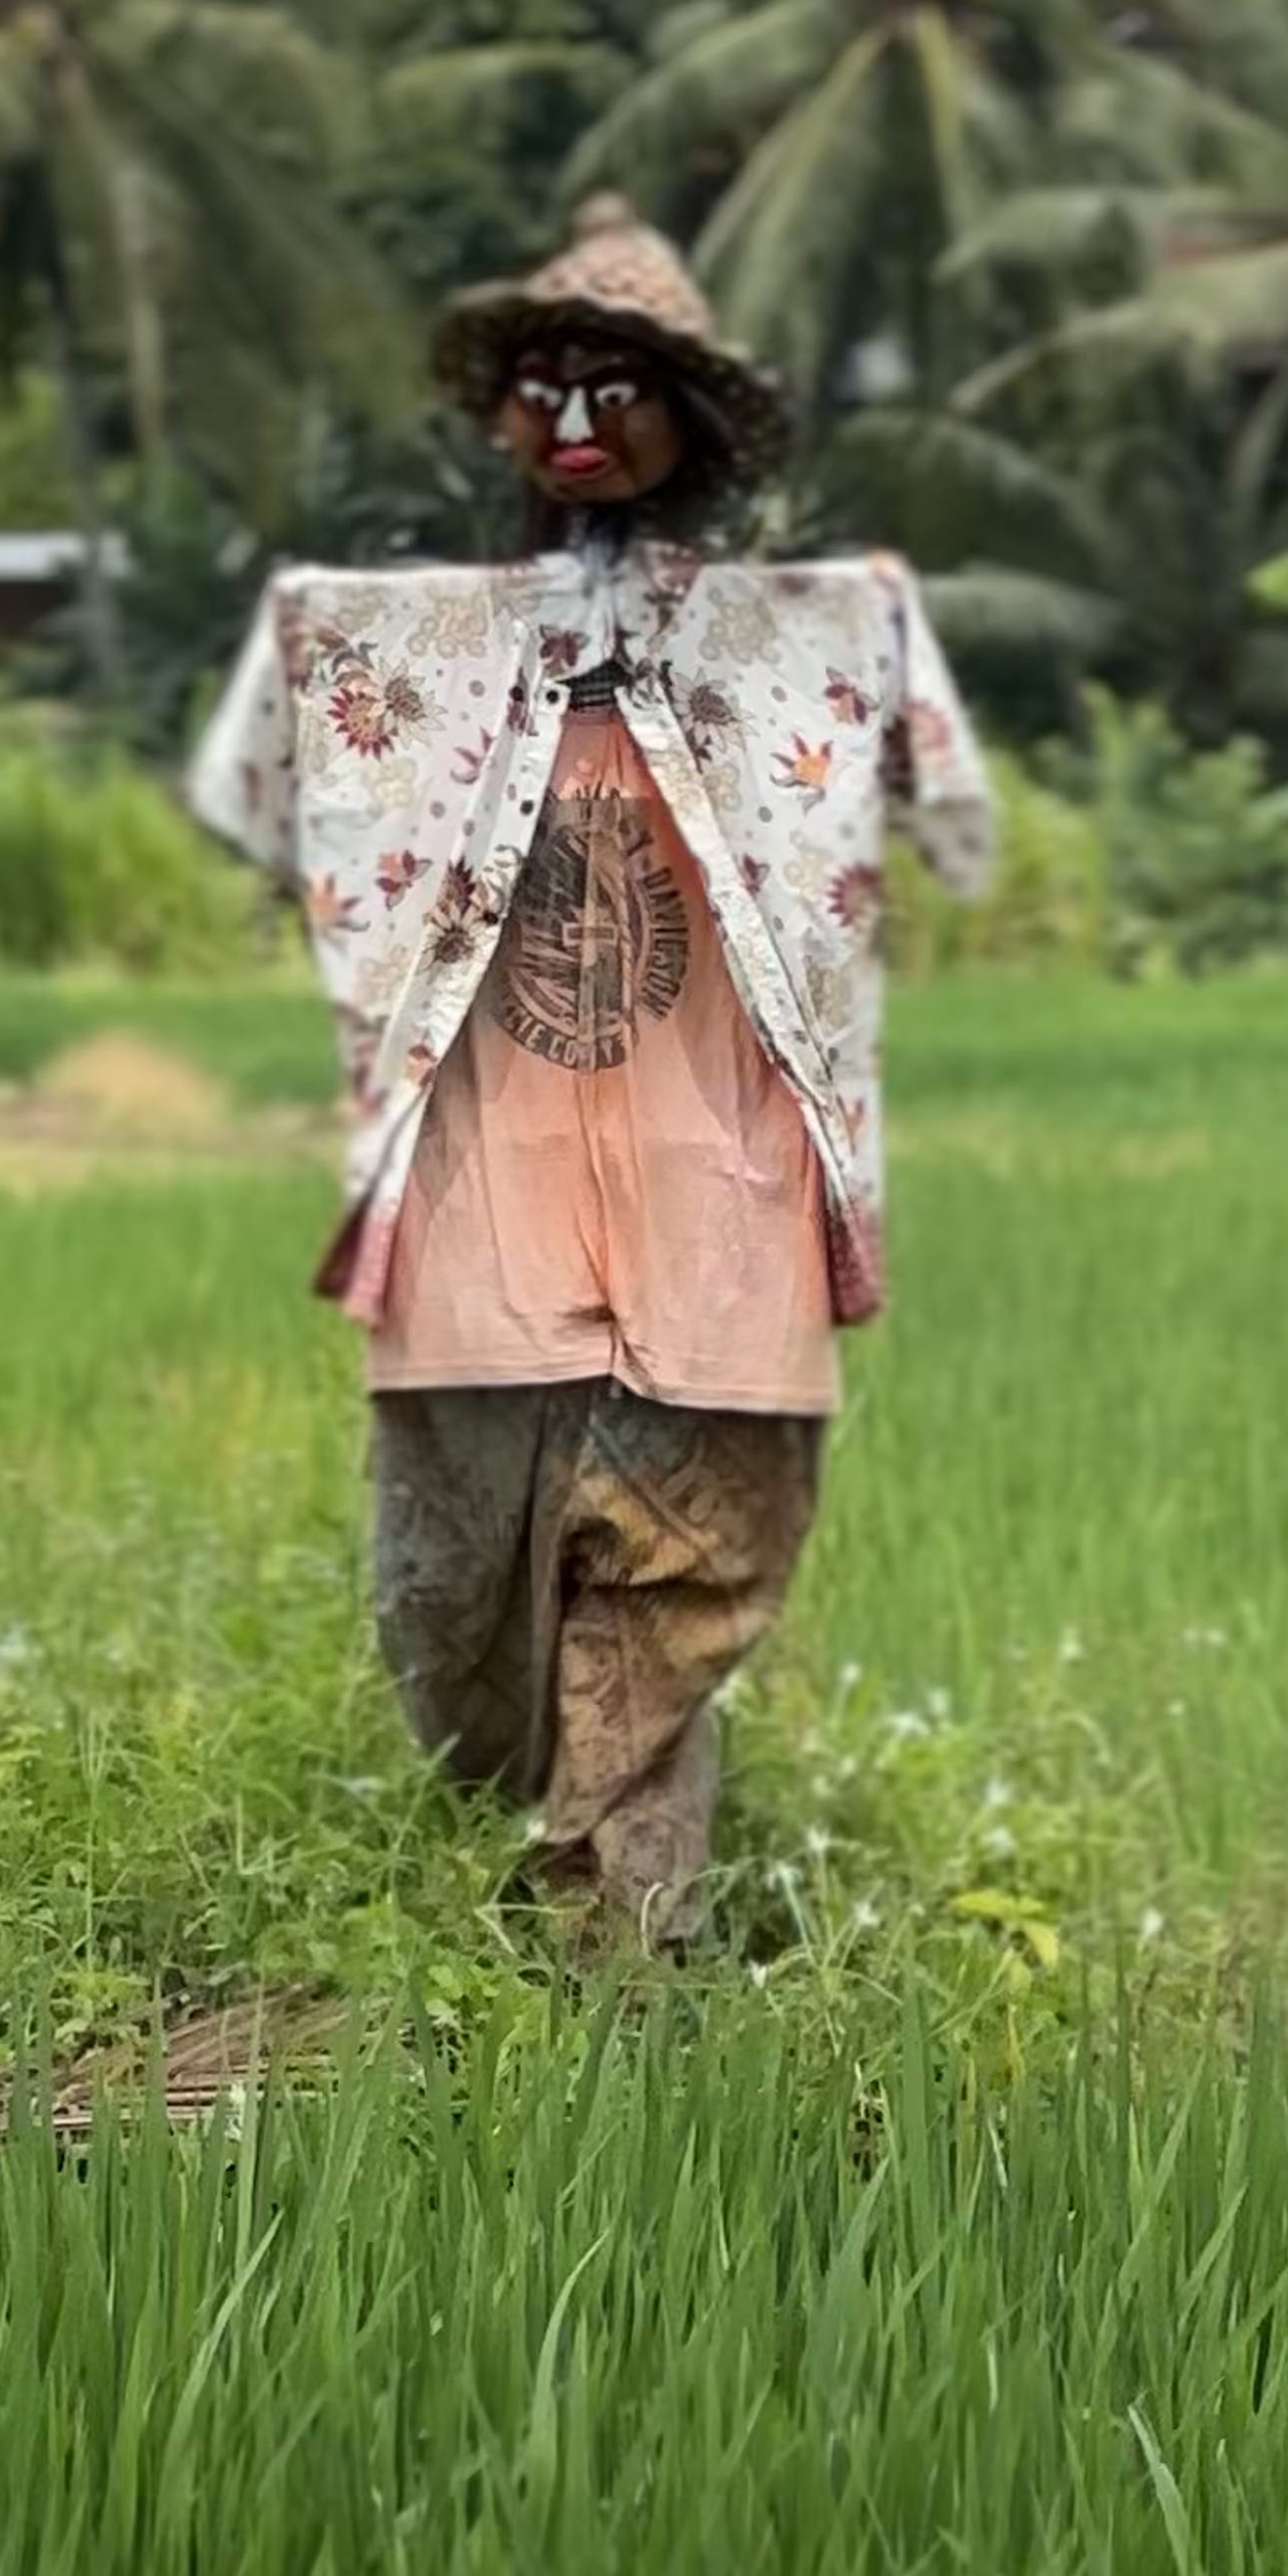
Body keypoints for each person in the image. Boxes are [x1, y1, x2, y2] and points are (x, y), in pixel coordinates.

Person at [190, 195, 994, 1949]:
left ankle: (627, 1967)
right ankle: (499, 1888)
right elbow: (256, 789)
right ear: (499, 420)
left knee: (674, 1576)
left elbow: (954, 813)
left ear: (688, 423)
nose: (574, 422)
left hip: (720, 1187)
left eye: (617, 386)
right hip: (486, 1187)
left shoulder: (812, 632)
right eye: (545, 386)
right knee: (455, 1590)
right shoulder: (400, 643)